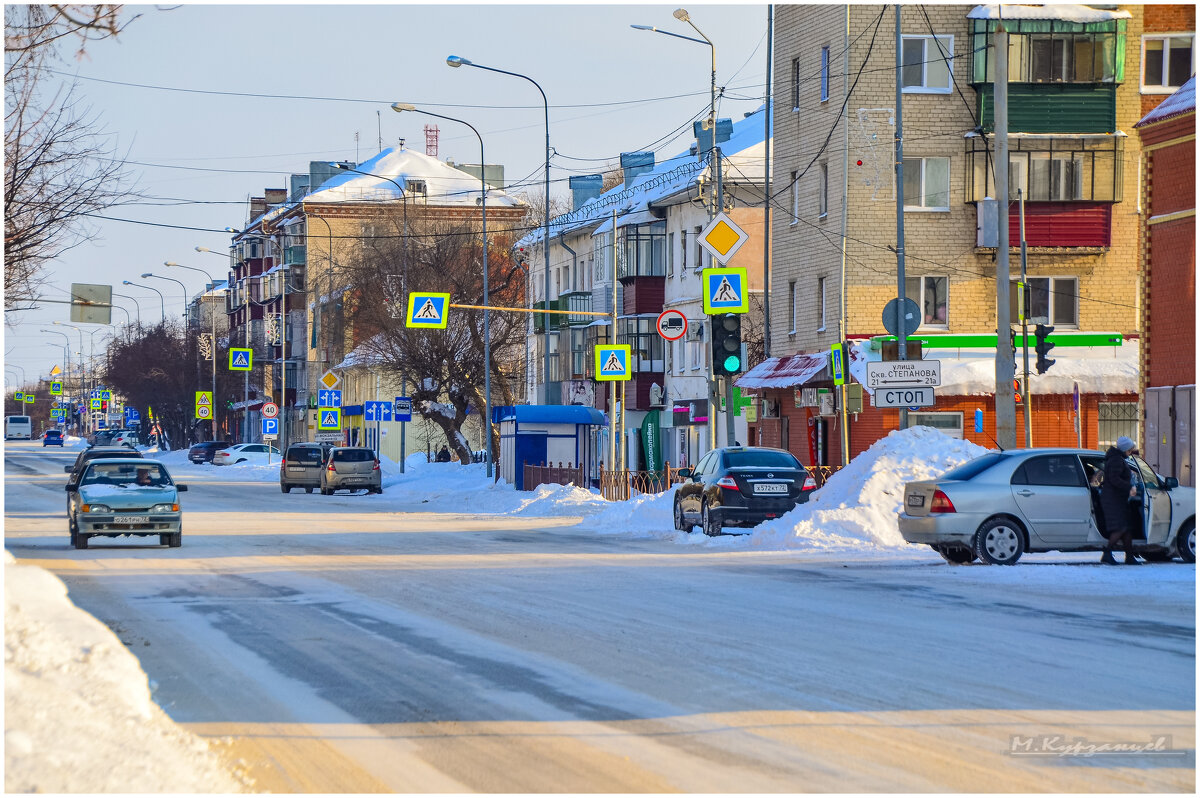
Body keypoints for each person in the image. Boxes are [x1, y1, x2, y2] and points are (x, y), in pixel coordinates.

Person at [1100, 436, 1141, 565]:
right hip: (1113, 499)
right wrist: (1130, 486)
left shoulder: (1118, 459)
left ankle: (1129, 556)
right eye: (1130, 449)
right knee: (1120, 528)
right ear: (1125, 449)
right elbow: (1114, 479)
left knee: (1127, 528)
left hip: (1118, 498)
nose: (1131, 451)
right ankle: (1107, 553)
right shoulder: (1116, 460)